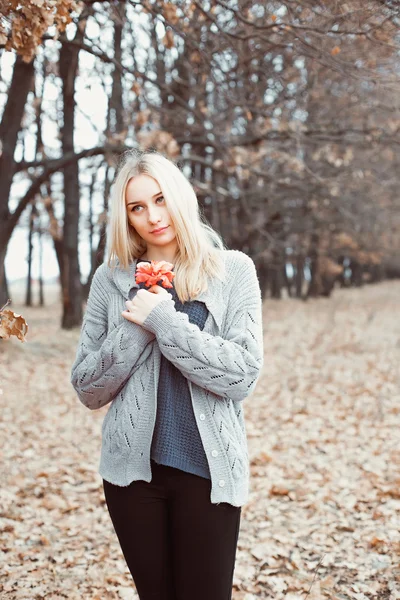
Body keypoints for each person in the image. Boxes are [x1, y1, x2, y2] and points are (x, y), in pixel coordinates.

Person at [70, 150, 264, 600]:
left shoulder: (233, 270)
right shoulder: (109, 279)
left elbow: (243, 376)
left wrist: (163, 319)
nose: (152, 216)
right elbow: (87, 388)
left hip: (208, 471)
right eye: (137, 207)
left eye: (159, 199)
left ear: (179, 196)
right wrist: (135, 324)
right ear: (127, 217)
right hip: (132, 477)